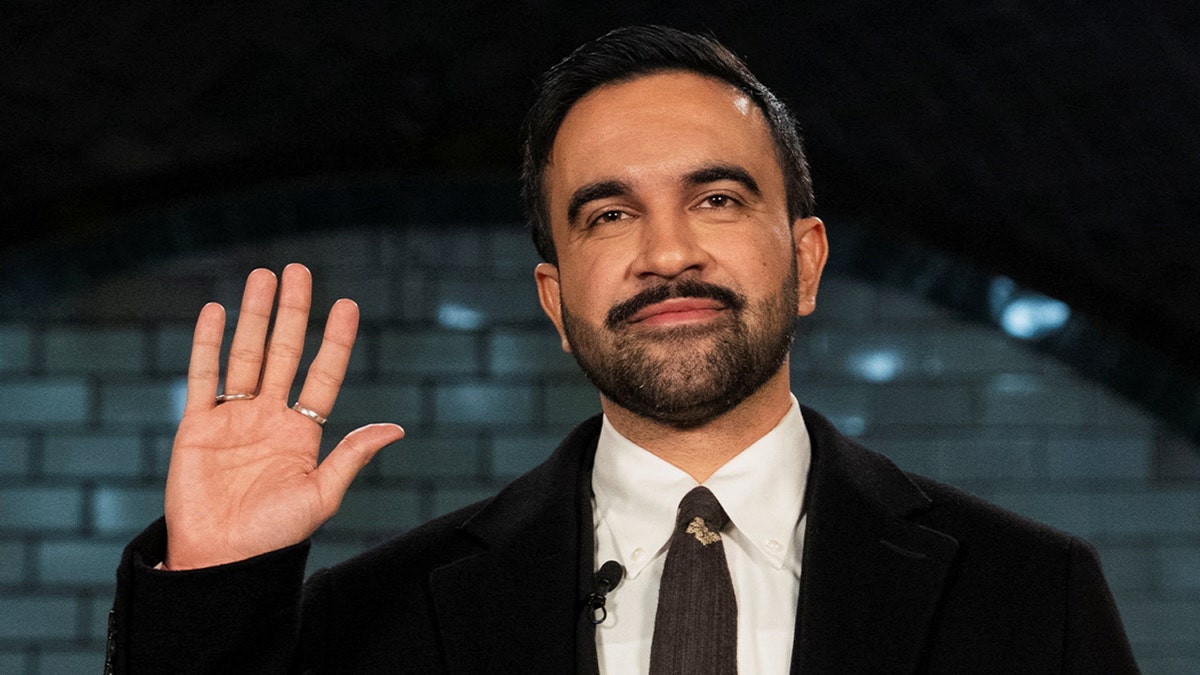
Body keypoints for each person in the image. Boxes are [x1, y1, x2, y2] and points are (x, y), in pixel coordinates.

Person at [106, 25, 1138, 674]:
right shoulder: (375, 619)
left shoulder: (1028, 597)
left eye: (718, 199)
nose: (668, 252)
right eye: (607, 215)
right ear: (555, 299)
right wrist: (209, 591)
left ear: (807, 261)